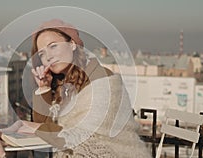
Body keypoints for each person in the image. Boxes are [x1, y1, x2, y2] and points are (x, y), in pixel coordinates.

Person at [11, 19, 152, 158]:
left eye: (53, 46)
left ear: (72, 44)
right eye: (41, 53)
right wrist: (44, 88)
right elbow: (46, 125)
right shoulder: (64, 84)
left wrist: (36, 128)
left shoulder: (104, 82)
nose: (48, 56)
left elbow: (83, 137)